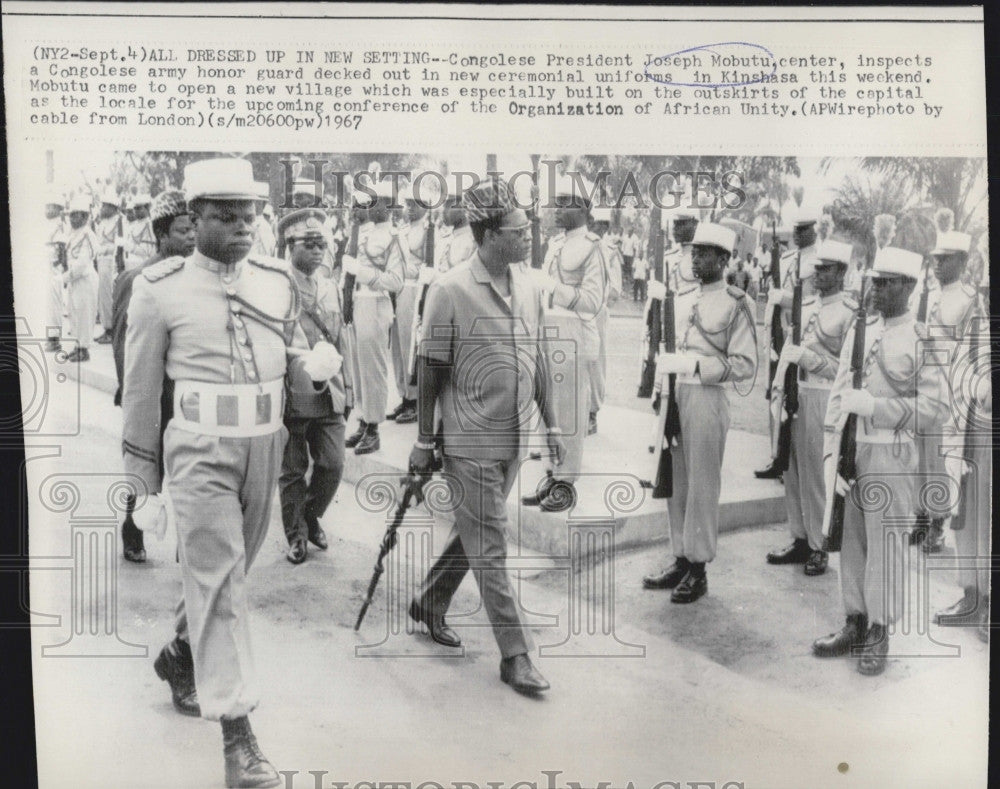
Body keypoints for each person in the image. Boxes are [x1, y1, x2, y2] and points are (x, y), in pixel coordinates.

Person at [123, 158, 339, 787]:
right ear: (194, 219)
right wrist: (142, 484)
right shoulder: (159, 287)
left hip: (264, 444)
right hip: (199, 449)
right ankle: (239, 741)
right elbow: (140, 393)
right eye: (224, 216)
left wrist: (315, 366)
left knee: (228, 574)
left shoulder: (275, 279)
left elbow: (286, 357)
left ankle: (179, 653)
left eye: (249, 215)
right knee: (223, 585)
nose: (243, 227)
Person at [408, 175, 564, 695]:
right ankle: (514, 655)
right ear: (489, 233)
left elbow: (536, 357)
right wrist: (425, 439)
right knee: (491, 544)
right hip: (468, 441)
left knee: (477, 530)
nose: (528, 237)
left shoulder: (527, 285)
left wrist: (553, 423)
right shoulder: (449, 290)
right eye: (519, 230)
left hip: (513, 436)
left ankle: (430, 601)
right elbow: (429, 369)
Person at [812, 246, 948, 676]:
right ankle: (854, 619)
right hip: (854, 448)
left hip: (891, 450)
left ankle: (878, 630)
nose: (876, 289)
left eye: (887, 282)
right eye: (874, 280)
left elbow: (934, 408)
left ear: (908, 287)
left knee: (885, 545)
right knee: (851, 540)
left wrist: (876, 407)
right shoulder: (861, 329)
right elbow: (838, 391)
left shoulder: (921, 338)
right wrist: (832, 449)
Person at [642, 223, 757, 603]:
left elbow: (743, 365)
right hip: (677, 395)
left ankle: (699, 567)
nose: (697, 258)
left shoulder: (737, 303)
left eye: (706, 252)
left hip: (708, 397)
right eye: (695, 251)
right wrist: (663, 390)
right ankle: (680, 555)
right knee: (676, 482)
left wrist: (694, 366)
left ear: (724, 260)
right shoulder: (685, 297)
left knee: (703, 487)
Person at [112, 189, 196, 563]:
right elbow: (123, 346)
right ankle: (133, 531)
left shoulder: (197, 279)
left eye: (194, 228)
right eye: (182, 230)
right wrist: (135, 394)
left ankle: (190, 546)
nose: (192, 237)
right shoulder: (138, 279)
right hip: (153, 394)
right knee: (145, 462)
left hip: (187, 394)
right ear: (162, 235)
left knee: (191, 470)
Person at [765, 239, 856, 576]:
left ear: (842, 272)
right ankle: (800, 536)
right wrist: (778, 385)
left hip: (822, 396)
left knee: (817, 475)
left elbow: (845, 371)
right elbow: (790, 347)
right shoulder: (807, 306)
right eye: (817, 267)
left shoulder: (848, 313)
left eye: (826, 268)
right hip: (796, 392)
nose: (819, 273)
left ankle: (819, 544)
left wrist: (811, 360)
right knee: (792, 469)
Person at [522, 176, 606, 513]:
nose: (558, 208)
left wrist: (554, 288)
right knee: (549, 407)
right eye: (557, 201)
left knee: (569, 409)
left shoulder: (592, 246)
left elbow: (592, 301)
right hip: (549, 330)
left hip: (573, 334)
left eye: (567, 202)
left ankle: (566, 481)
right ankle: (550, 474)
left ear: (584, 208)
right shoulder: (556, 244)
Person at [277, 208, 348, 565]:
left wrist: (348, 386)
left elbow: (341, 337)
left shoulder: (332, 286)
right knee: (292, 468)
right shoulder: (278, 286)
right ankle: (296, 536)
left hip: (330, 387)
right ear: (289, 246)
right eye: (310, 243)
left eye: (323, 243)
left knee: (333, 464)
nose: (319, 250)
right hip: (294, 387)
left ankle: (309, 514)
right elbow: (271, 341)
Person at [913, 229, 979, 553]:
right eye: (936, 259)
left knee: (943, 458)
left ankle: (939, 524)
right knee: (921, 455)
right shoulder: (928, 294)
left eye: (945, 260)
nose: (937, 265)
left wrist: (934, 345)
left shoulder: (969, 298)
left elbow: (970, 351)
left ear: (963, 261)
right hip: (923, 385)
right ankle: (922, 515)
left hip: (950, 387)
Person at [936, 289, 990, 638]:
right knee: (965, 516)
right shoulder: (978, 330)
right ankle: (971, 595)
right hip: (969, 431)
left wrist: (978, 386)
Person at [341, 178, 405, 455]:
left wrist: (361, 273)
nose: (370, 206)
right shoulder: (364, 233)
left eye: (376, 202)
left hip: (377, 303)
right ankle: (365, 420)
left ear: (389, 206)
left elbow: (395, 281)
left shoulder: (395, 237)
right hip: (358, 302)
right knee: (359, 366)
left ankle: (374, 429)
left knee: (374, 368)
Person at [756, 214, 819, 480]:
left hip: (803, 334)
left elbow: (814, 299)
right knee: (776, 393)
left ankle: (792, 458)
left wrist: (785, 297)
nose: (799, 234)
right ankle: (776, 455)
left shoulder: (819, 262)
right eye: (796, 230)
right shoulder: (785, 260)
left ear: (813, 232)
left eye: (804, 230)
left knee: (796, 398)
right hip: (781, 335)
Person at [387, 183, 431, 424]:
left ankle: (413, 400)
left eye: (416, 204)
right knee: (397, 346)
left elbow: (426, 262)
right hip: (397, 287)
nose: (411, 208)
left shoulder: (428, 230)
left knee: (409, 344)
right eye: (409, 203)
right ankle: (403, 394)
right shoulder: (403, 228)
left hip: (414, 288)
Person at [587, 207, 623, 435]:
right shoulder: (581, 246)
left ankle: (592, 412)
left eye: (600, 225)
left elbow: (615, 289)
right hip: (577, 311)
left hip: (597, 312)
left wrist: (600, 305)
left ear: (606, 227)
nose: (595, 229)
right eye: (593, 224)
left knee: (596, 363)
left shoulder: (610, 252)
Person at [62, 194, 99, 362]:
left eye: (76, 214)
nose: (72, 218)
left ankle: (84, 349)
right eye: (71, 214)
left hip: (84, 279)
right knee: (73, 312)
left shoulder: (88, 234)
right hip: (74, 280)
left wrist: (66, 277)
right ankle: (77, 346)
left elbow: (83, 263)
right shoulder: (72, 234)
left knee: (85, 313)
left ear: (84, 216)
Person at [94, 189, 123, 344]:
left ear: (113, 207)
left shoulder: (119, 221)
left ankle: (112, 330)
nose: (102, 208)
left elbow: (119, 245)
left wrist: (105, 250)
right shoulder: (102, 222)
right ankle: (106, 328)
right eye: (102, 205)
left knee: (111, 296)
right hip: (101, 261)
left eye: (105, 205)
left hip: (111, 262)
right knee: (103, 296)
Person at [44, 194, 67, 352]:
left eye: (52, 206)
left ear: (59, 210)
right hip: (45, 266)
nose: (48, 209)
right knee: (48, 304)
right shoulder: (47, 224)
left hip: (54, 267)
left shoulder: (60, 225)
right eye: (47, 206)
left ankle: (55, 338)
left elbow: (61, 249)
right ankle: (50, 336)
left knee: (54, 303)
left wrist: (59, 266)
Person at [435, 193, 476, 272]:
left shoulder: (472, 243)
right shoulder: (445, 238)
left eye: (448, 206)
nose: (443, 211)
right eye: (443, 206)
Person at [126, 193, 156, 270]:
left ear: (147, 209)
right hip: (130, 264)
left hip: (144, 265)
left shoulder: (150, 225)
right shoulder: (132, 226)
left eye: (139, 208)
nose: (136, 211)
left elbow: (147, 251)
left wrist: (129, 247)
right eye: (135, 208)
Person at [621, 226, 638, 291]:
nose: (629, 232)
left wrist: (634, 255)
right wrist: (622, 253)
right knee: (625, 267)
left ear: (632, 232)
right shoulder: (625, 237)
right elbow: (623, 245)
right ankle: (625, 280)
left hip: (631, 255)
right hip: (625, 254)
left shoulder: (635, 237)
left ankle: (630, 280)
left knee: (630, 268)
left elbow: (635, 247)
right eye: (628, 231)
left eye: (630, 231)